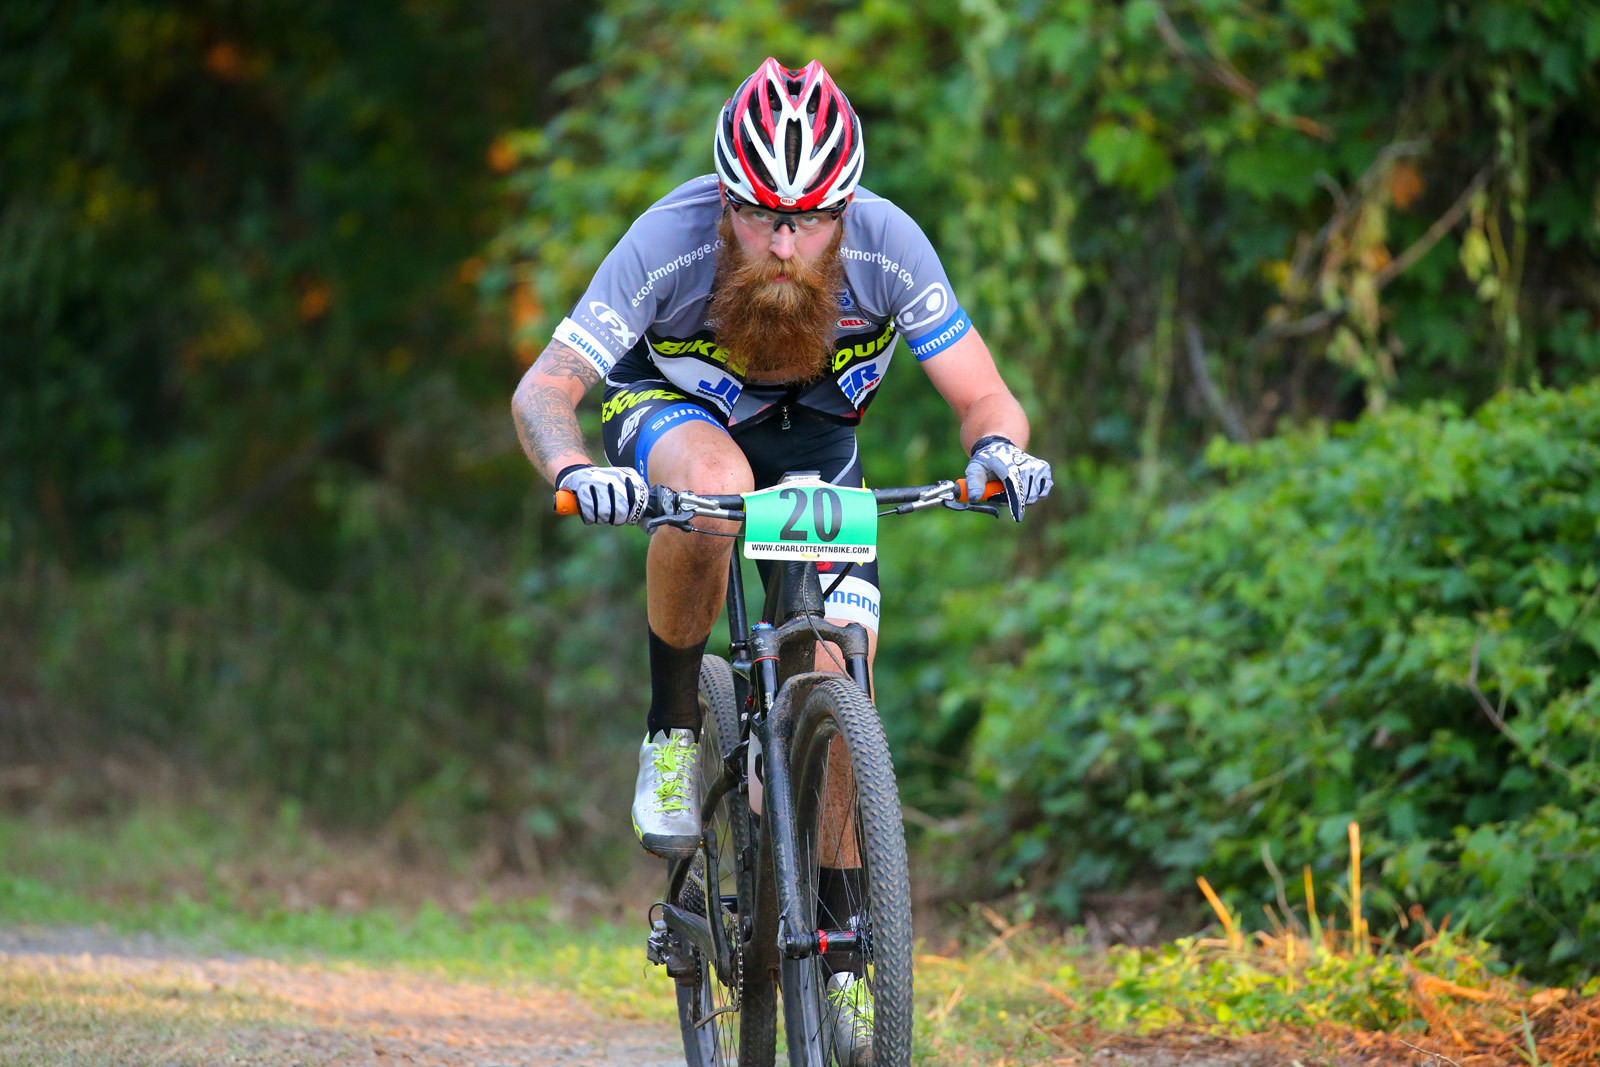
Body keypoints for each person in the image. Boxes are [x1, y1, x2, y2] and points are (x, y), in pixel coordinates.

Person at [512, 56, 1051, 1061]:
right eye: (760, 215)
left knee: (837, 680)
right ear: (725, 201)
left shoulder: (888, 244)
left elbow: (984, 393)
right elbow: (545, 389)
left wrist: (997, 452)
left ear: (847, 209)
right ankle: (673, 728)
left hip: (817, 452)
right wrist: (578, 467)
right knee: (713, 492)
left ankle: (846, 955)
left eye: (810, 218)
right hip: (678, 414)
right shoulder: (667, 241)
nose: (785, 242)